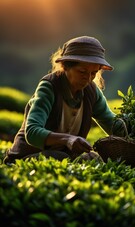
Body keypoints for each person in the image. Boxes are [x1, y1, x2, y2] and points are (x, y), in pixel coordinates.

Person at [4, 36, 127, 164]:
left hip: (64, 158)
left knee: (94, 159)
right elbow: (32, 132)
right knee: (59, 157)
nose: (88, 78)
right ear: (65, 66)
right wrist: (67, 139)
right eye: (82, 71)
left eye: (93, 73)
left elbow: (111, 123)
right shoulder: (49, 88)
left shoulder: (92, 92)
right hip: (26, 158)